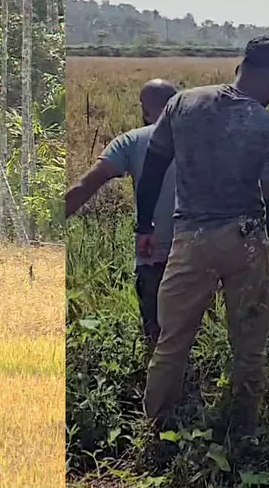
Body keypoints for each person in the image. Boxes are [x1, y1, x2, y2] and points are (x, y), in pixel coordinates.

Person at [134, 36, 269, 439]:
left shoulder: (182, 104)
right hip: (246, 240)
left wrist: (144, 226)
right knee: (249, 343)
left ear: (240, 67)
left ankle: (156, 423)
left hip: (190, 239)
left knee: (172, 339)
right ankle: (244, 426)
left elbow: (153, 168)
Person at [65, 79, 179, 350]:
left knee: (156, 335)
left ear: (145, 110)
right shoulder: (205, 140)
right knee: (196, 328)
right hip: (200, 249)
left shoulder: (132, 140)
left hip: (152, 250)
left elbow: (85, 185)